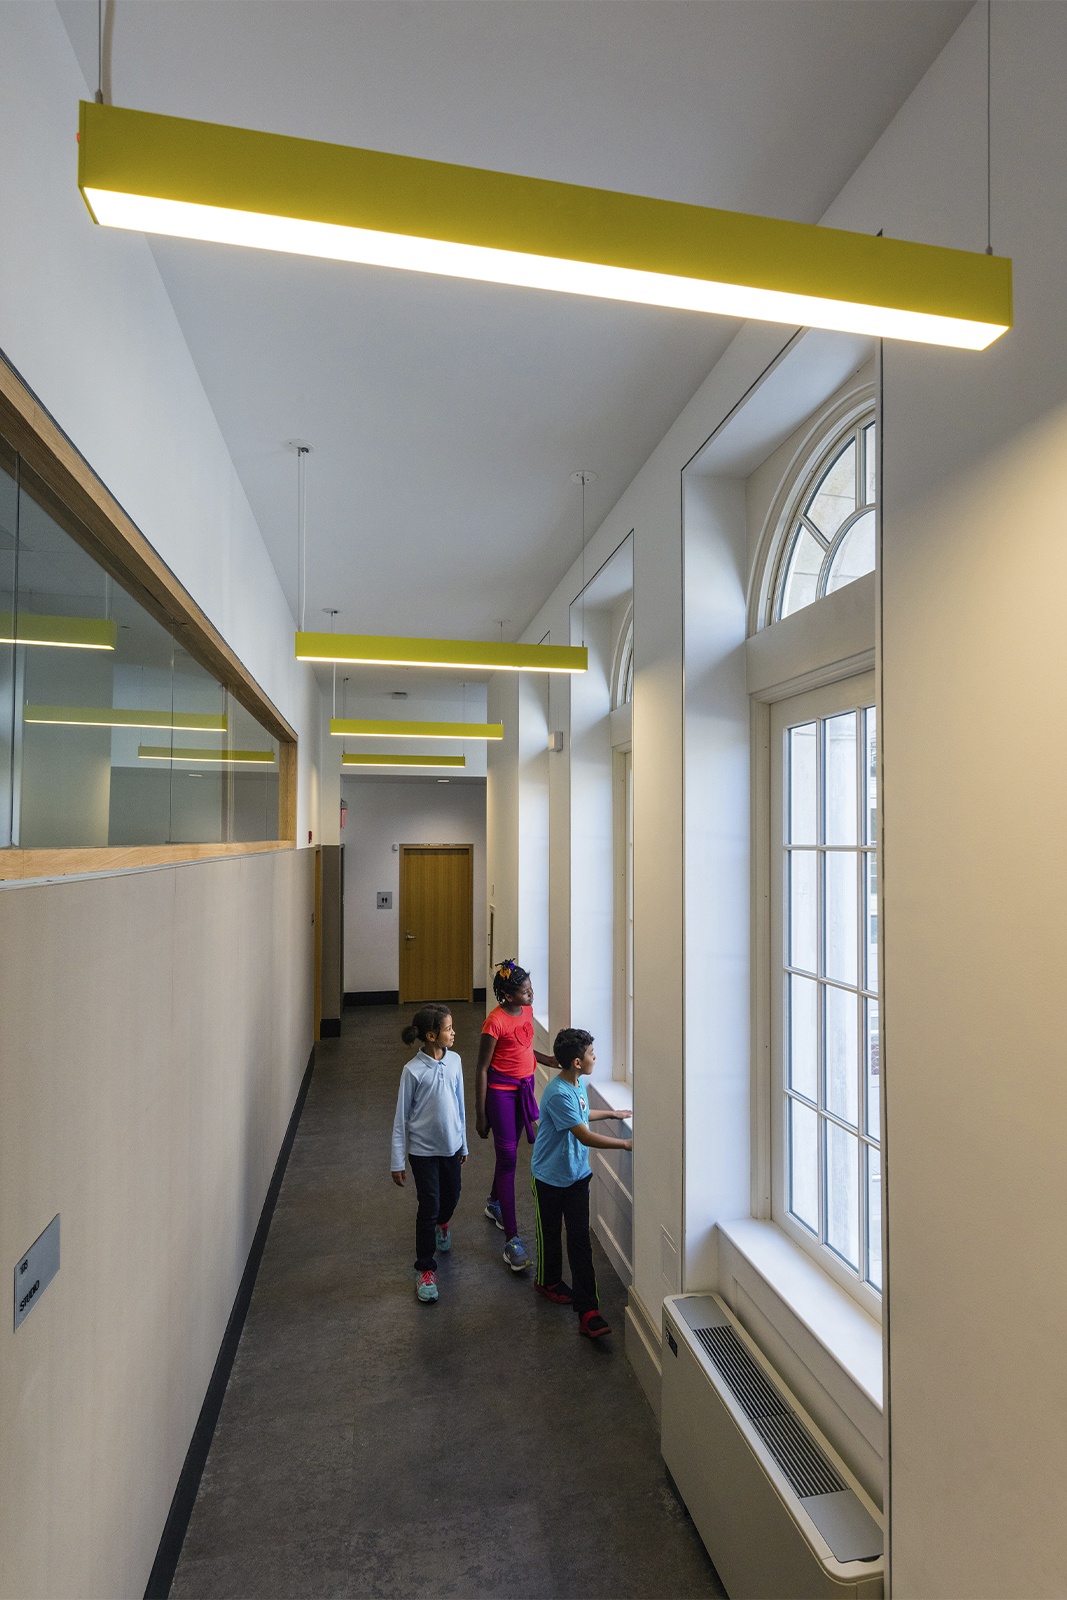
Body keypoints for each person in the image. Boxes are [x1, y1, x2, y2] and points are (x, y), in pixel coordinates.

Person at [531, 1027, 632, 1339]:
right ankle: (548, 1282)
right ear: (577, 1062)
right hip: (549, 1179)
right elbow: (584, 1135)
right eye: (591, 1053)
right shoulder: (559, 1094)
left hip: (576, 1177)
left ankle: (589, 1311)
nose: (595, 1057)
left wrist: (612, 1114)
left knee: (579, 1242)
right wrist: (625, 1144)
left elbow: (583, 1114)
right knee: (550, 1234)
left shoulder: (577, 1084)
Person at [475, 959, 556, 1272]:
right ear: (508, 996)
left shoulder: (527, 1011)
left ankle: (494, 1202)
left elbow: (523, 1048)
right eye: (525, 991)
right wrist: (481, 1114)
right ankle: (512, 1240)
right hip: (501, 1093)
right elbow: (482, 1068)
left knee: (508, 1155)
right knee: (508, 1158)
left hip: (525, 1088)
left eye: (530, 988)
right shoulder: (493, 1022)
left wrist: (547, 1059)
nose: (531, 994)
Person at [391, 1005, 467, 1305]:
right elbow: (401, 1119)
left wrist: (463, 1144)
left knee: (452, 1196)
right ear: (432, 1036)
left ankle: (442, 1224)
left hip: (451, 1147)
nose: (454, 1033)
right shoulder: (412, 1071)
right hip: (422, 1152)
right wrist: (397, 1160)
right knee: (429, 1205)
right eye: (448, 1029)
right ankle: (425, 1268)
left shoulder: (455, 1061)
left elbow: (459, 1105)